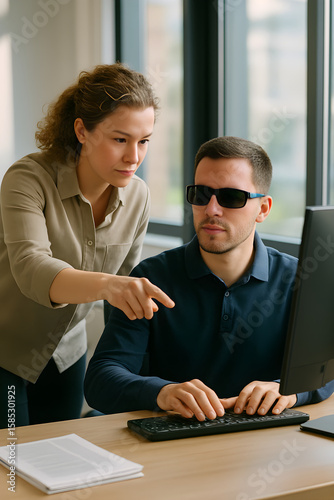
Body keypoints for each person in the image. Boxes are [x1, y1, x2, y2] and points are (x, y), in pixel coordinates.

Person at [84, 136, 334, 421]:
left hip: (266, 443)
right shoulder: (150, 279)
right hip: (174, 446)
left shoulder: (301, 280)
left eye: (231, 197)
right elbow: (100, 381)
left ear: (263, 209)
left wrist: (289, 392)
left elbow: (327, 370)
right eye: (201, 195)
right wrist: (161, 392)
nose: (211, 209)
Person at [0, 63, 174, 428]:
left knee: (56, 464)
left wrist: (133, 377)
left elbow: (126, 295)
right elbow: (32, 267)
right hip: (6, 351)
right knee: (9, 471)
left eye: (144, 141)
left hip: (67, 355)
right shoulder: (27, 178)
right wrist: (109, 285)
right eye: (119, 139)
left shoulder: (138, 195)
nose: (134, 157)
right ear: (82, 130)